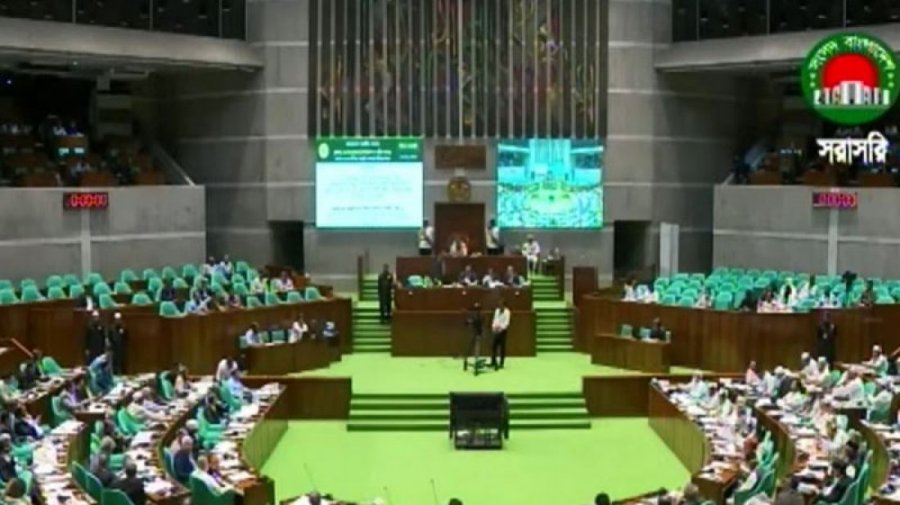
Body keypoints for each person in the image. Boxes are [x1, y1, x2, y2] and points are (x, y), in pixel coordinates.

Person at [490, 300, 510, 370]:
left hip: (503, 332)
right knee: (493, 346)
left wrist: (500, 328)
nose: (500, 306)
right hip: (496, 331)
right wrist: (493, 327)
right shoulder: (497, 310)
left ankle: (501, 363)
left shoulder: (507, 312)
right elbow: (495, 319)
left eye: (501, 305)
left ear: (504, 305)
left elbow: (506, 323)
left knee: (502, 348)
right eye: (499, 305)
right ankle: (493, 362)